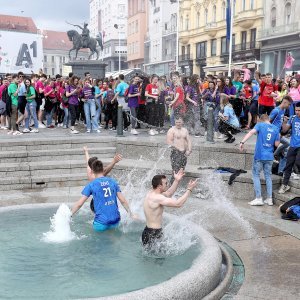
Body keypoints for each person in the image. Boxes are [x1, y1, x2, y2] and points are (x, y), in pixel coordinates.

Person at [71, 159, 137, 231]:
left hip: (101, 223)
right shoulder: (112, 182)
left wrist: (69, 215)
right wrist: (131, 214)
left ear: (92, 171)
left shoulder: (92, 185)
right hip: (115, 220)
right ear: (103, 169)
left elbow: (79, 204)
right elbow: (122, 200)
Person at [142, 169, 197, 248]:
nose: (167, 185)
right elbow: (178, 204)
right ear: (159, 186)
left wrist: (176, 180)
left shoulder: (151, 193)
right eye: (165, 183)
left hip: (148, 231)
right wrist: (189, 189)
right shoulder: (157, 198)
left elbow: (169, 193)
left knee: (150, 259)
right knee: (158, 259)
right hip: (153, 234)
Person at [239, 114, 280, 206]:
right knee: (268, 176)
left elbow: (250, 132)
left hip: (260, 155)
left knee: (256, 175)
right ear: (268, 119)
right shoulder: (276, 128)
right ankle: (269, 199)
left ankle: (258, 198)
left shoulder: (260, 125)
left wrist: (242, 142)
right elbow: (277, 144)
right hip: (269, 156)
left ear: (260, 120)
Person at [278, 102, 300, 194]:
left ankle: (297, 173)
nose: (297, 112)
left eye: (299, 110)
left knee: (298, 162)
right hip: (293, 145)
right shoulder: (293, 118)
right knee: (288, 166)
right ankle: (284, 185)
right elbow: (285, 130)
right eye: (296, 110)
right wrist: (284, 121)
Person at [166, 117, 192, 183]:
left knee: (181, 171)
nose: (178, 124)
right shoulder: (171, 130)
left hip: (184, 153)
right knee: (176, 171)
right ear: (174, 122)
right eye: (176, 122)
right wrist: (178, 148)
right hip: (176, 153)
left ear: (182, 122)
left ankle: (177, 186)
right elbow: (169, 142)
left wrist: (189, 149)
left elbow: (189, 140)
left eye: (179, 122)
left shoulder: (185, 130)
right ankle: (171, 187)